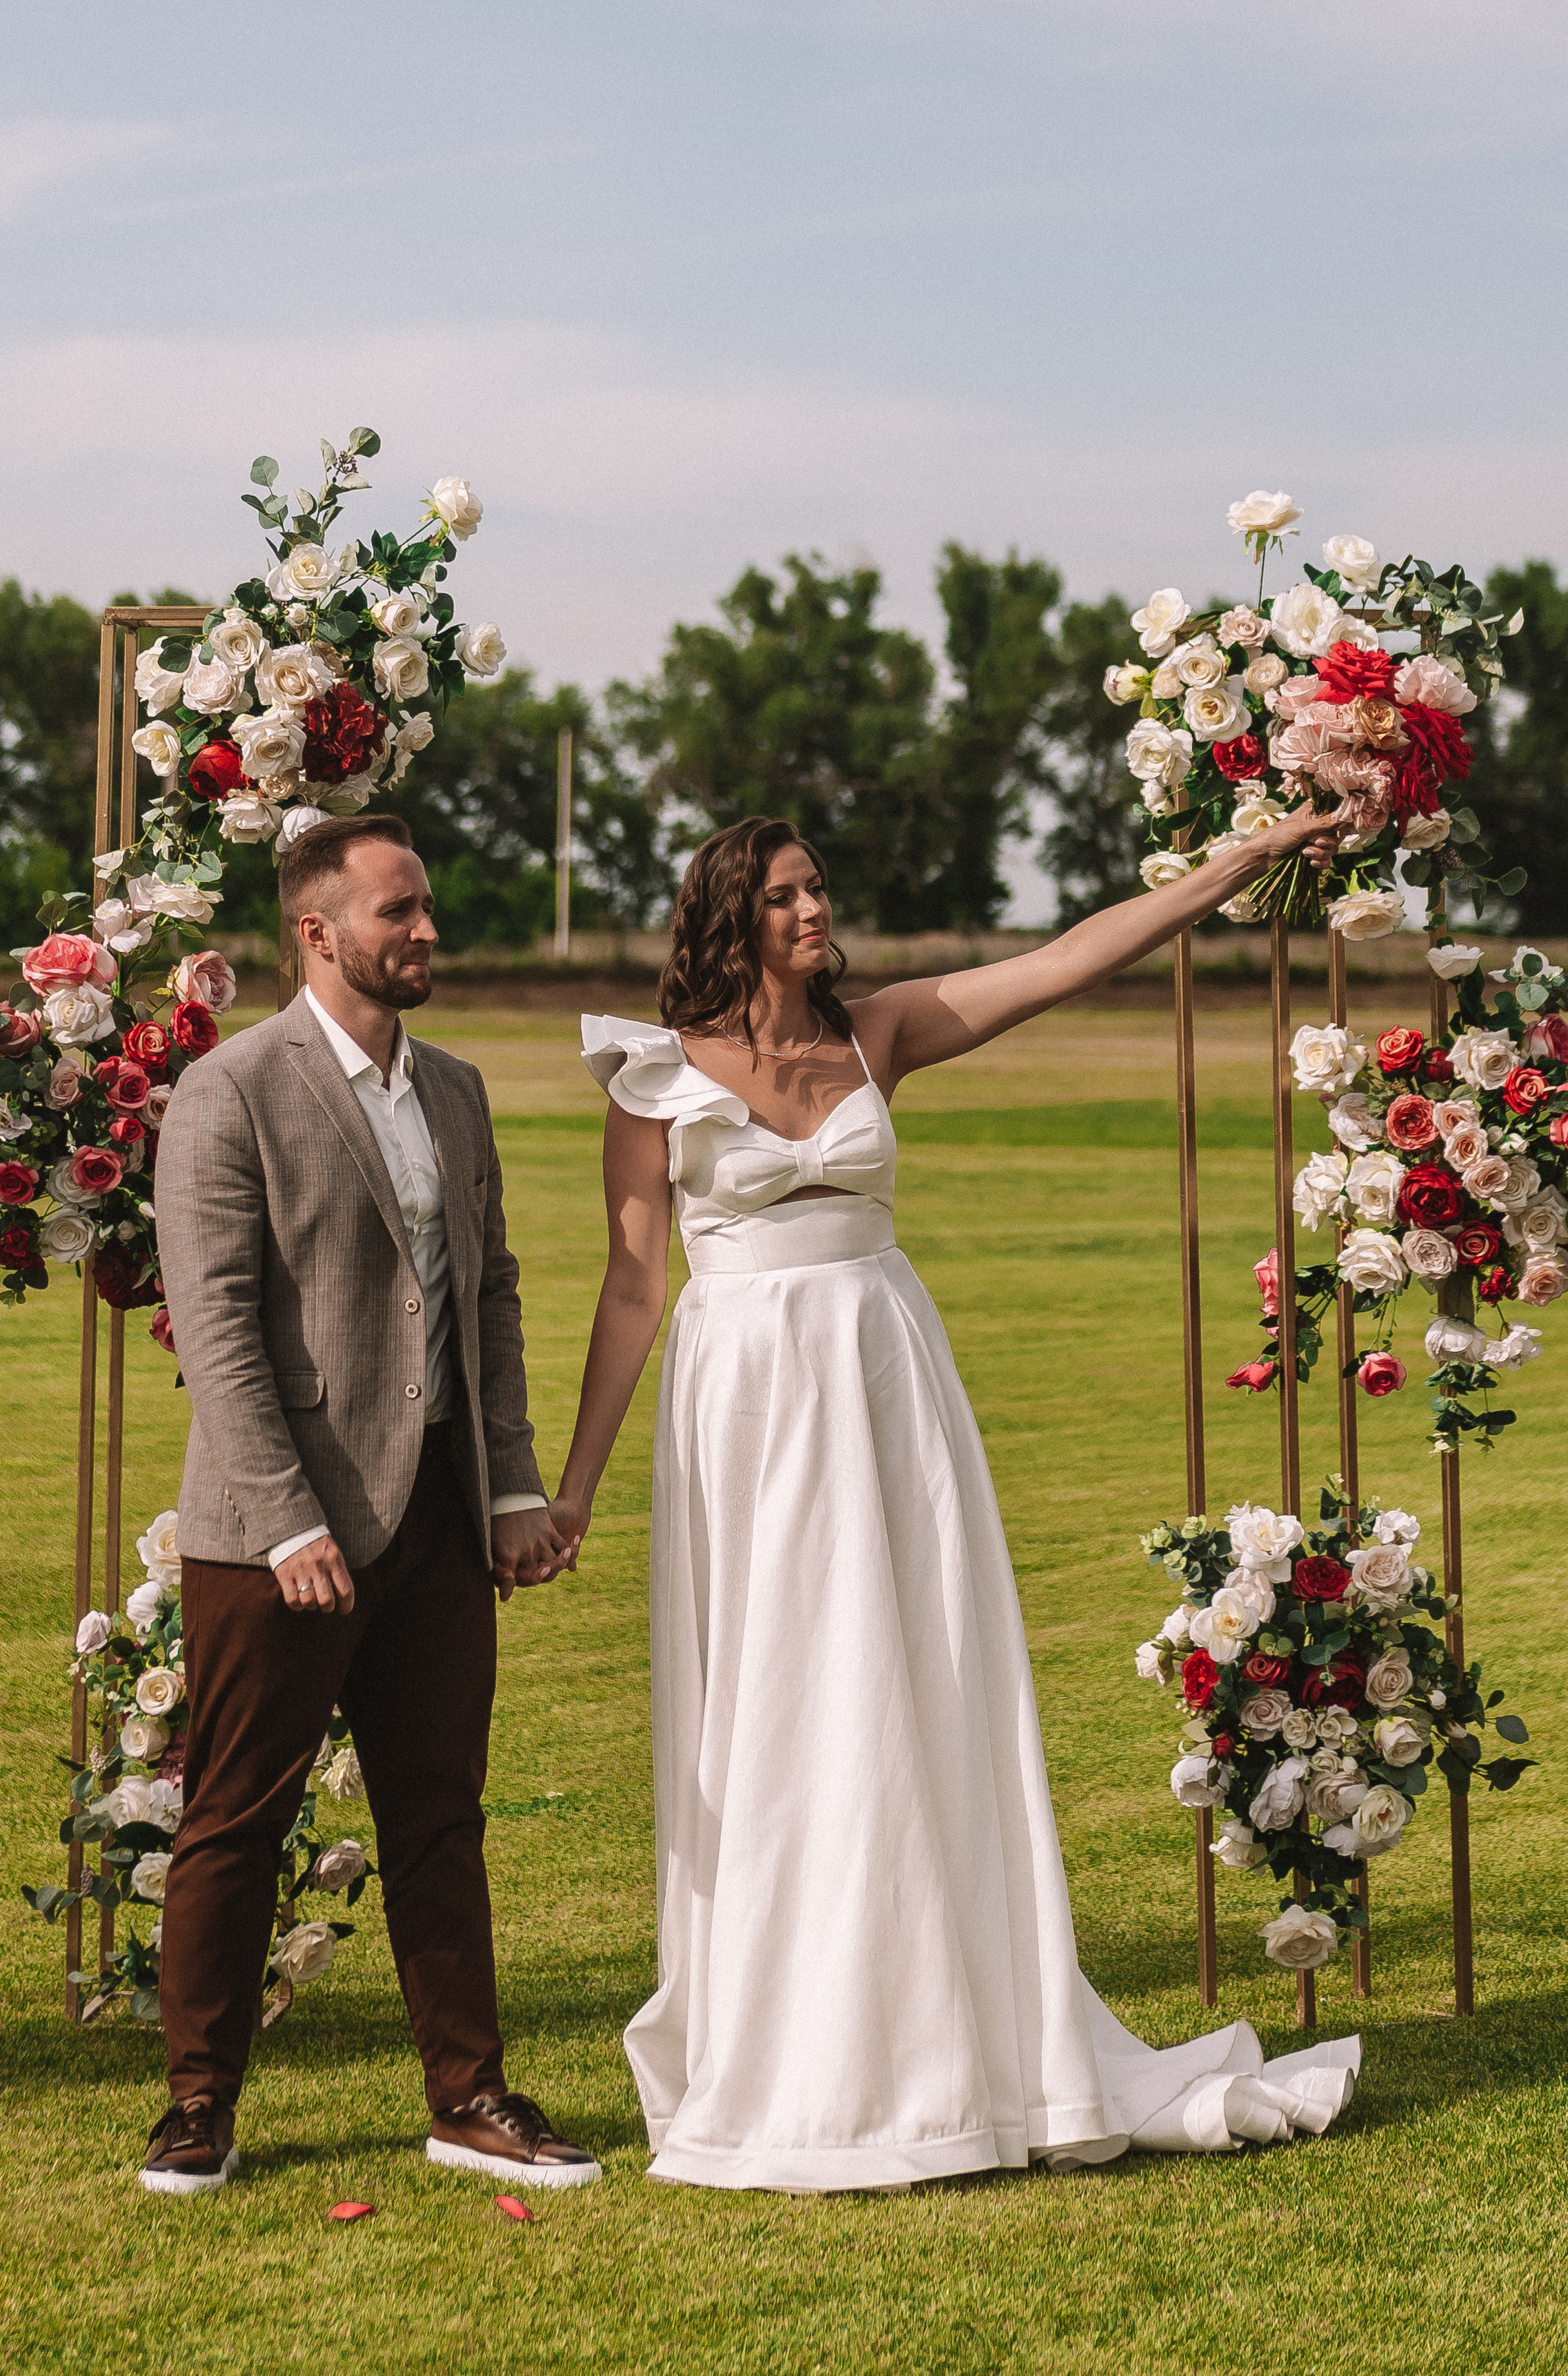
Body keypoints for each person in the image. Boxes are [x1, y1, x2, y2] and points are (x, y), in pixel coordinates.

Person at [552, 809, 1363, 2190]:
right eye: (786, 894)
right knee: (775, 1700)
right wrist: (568, 1490)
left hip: (882, 1380)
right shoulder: (652, 1078)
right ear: (729, 916)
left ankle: (949, 2038)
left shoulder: (884, 1033)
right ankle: (795, 2042)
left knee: (906, 1682)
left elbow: (1064, 959)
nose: (816, 909)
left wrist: (1234, 867)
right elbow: (634, 1289)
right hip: (743, 1405)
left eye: (818, 888)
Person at [141, 816, 599, 2196]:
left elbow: (491, 1293)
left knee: (439, 1818)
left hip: (444, 1528)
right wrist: (289, 1523)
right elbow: (215, 1328)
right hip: (275, 1540)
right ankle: (197, 2113)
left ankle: (467, 2097)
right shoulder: (230, 1092)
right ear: (315, 931)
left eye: (425, 911)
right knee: (236, 1819)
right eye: (398, 911)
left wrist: (509, 1483)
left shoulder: (455, 1091)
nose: (425, 934)